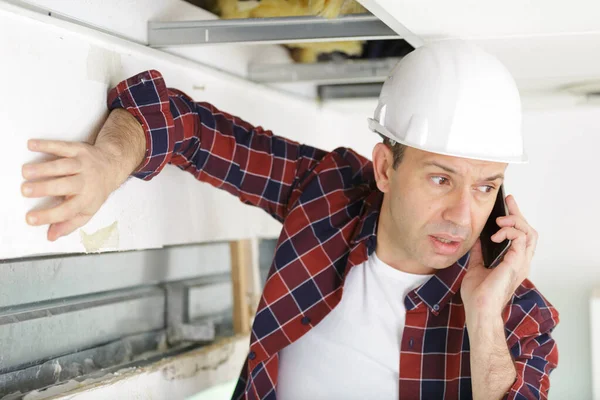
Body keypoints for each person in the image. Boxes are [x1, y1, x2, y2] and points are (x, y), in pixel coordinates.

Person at [20, 40, 559, 399]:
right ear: (386, 169)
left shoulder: (521, 318)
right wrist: (108, 162)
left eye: (486, 187)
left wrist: (485, 315)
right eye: (441, 179)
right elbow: (182, 122)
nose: (463, 217)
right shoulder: (328, 195)